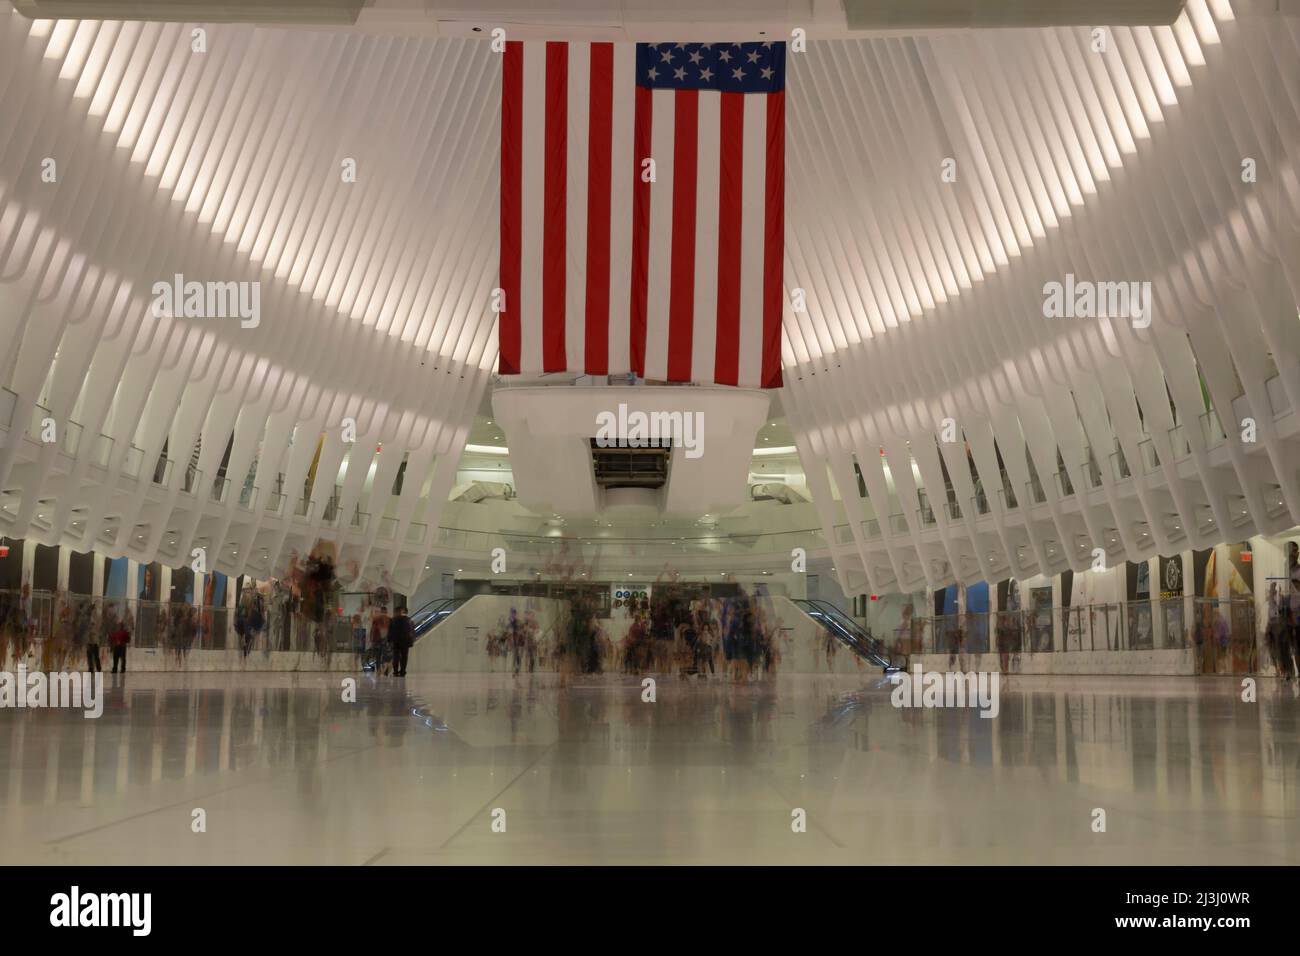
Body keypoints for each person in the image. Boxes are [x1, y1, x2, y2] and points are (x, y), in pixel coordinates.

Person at [388, 605, 414, 676]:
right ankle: (403, 671)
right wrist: (411, 641)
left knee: (396, 656)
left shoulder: (393, 620)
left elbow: (390, 631)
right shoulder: (409, 620)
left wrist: (389, 640)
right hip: (406, 642)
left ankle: (395, 671)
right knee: (404, 657)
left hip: (396, 641)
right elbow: (412, 631)